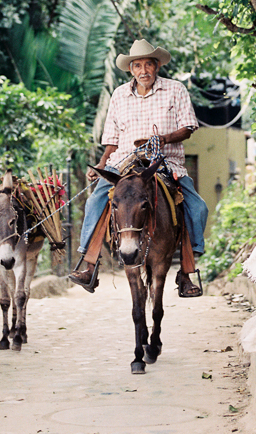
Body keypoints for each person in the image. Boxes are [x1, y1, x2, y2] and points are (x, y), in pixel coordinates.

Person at [69, 38, 208, 297]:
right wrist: (100, 165)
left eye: (148, 65)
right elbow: (111, 140)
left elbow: (189, 127)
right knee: (95, 202)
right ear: (131, 69)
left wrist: (163, 139)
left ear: (157, 66)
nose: (143, 71)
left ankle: (187, 272)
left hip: (164, 162)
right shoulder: (119, 94)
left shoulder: (176, 89)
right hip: (123, 162)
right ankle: (89, 265)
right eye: (137, 66)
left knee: (197, 207)